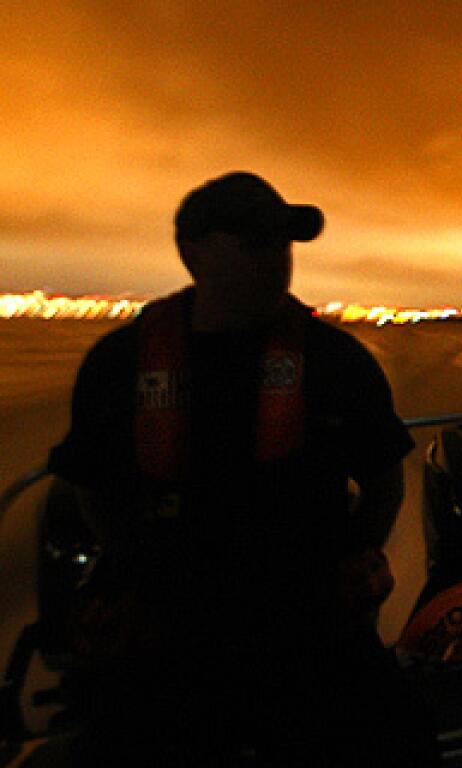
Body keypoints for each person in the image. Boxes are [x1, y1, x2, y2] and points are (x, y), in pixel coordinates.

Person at [48, 172, 434, 765]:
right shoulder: (122, 364)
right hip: (168, 622)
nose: (275, 260)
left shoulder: (333, 362)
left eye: (282, 244)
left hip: (307, 619)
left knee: (404, 741)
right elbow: (89, 484)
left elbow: (385, 480)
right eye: (254, 242)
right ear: (192, 252)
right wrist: (134, 564)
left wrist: (349, 560)